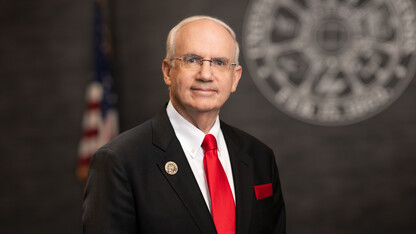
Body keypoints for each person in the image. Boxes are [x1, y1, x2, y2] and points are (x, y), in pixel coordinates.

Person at [83, 15, 286, 234]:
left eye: (219, 62)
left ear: (235, 77)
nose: (206, 75)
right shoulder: (119, 161)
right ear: (167, 71)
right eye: (192, 60)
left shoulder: (260, 157)